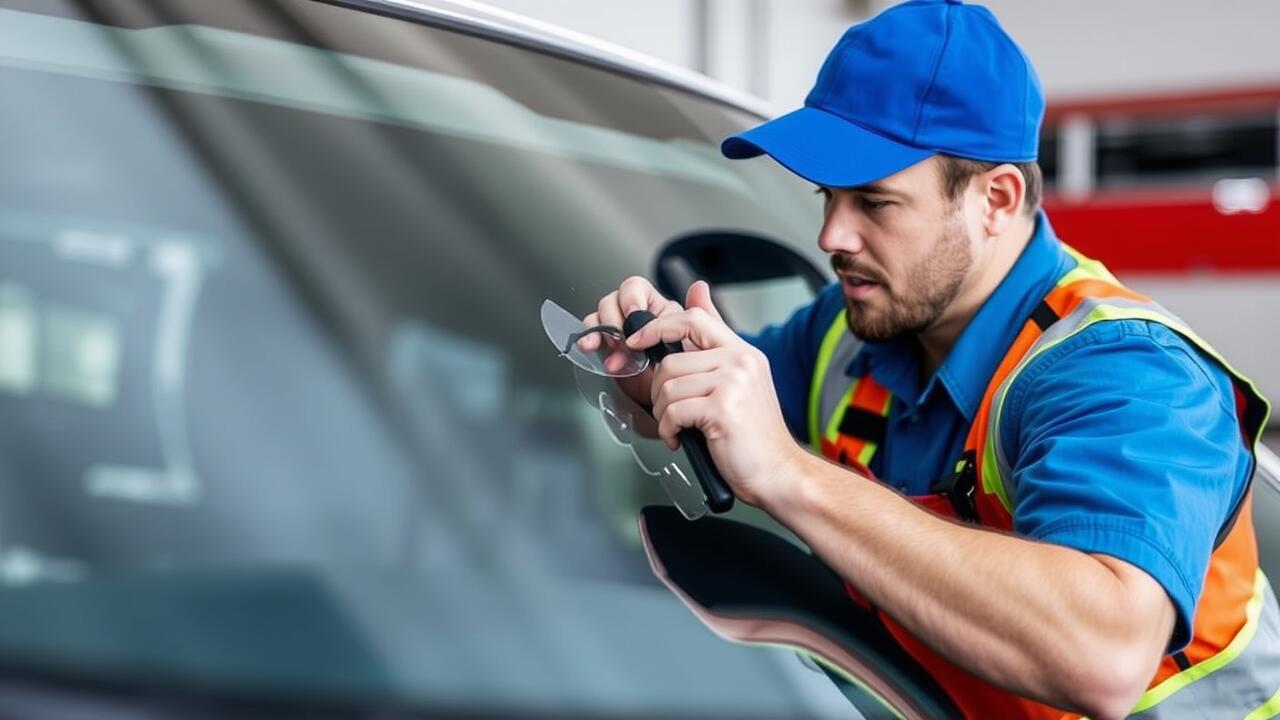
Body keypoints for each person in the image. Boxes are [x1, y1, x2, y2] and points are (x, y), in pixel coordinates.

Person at [579, 0, 1279, 717]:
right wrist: (655, 368)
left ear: (996, 200)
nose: (830, 235)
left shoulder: (1128, 372)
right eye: (827, 195)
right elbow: (733, 407)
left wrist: (790, 476)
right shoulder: (854, 326)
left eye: (874, 204)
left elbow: (1104, 656)